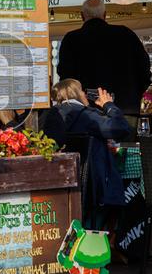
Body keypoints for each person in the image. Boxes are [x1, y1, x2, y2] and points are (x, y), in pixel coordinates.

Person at [56, 0, 151, 122]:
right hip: (125, 109)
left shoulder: (71, 39)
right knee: (127, 141)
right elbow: (144, 69)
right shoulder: (126, 35)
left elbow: (65, 77)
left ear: (82, 16)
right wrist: (132, 93)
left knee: (88, 142)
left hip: (84, 113)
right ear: (105, 15)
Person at [52, 78, 130, 218]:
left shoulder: (49, 115)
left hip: (59, 186)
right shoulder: (86, 116)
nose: (85, 94)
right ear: (76, 93)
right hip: (93, 189)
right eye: (82, 90)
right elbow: (122, 128)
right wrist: (109, 105)